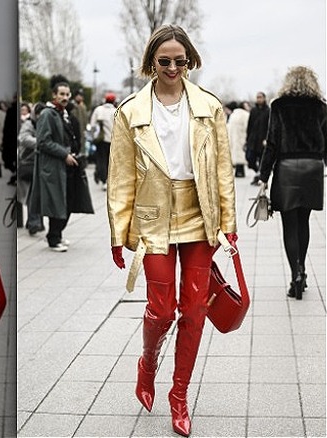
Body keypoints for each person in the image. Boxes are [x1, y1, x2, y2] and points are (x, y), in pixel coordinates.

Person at [107, 24, 237, 437]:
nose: (173, 68)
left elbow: (222, 170)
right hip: (152, 219)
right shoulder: (130, 111)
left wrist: (229, 224)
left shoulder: (209, 107)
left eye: (180, 61)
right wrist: (117, 231)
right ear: (152, 62)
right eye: (164, 61)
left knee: (194, 312)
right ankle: (148, 363)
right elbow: (121, 176)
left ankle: (178, 395)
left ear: (190, 61)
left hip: (200, 216)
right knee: (161, 309)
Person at [259, 66, 327, 299]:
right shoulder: (319, 107)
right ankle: (303, 269)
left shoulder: (278, 106)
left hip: (287, 168)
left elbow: (273, 143)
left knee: (289, 225)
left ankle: (295, 274)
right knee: (304, 222)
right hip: (312, 167)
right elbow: (325, 141)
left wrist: (263, 176)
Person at [33, 81, 94, 252]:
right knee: (58, 203)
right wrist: (64, 154)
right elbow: (43, 142)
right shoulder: (47, 114)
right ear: (54, 95)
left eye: (67, 94)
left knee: (68, 201)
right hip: (54, 168)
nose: (65, 97)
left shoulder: (64, 113)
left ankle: (57, 235)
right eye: (62, 94)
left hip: (68, 166)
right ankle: (53, 238)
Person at [18, 102, 46, 235]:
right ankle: (34, 222)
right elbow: (23, 138)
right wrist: (40, 143)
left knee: (36, 194)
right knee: (31, 194)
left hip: (39, 164)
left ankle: (34, 222)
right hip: (28, 163)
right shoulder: (29, 124)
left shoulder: (45, 124)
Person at [89, 92, 116, 190]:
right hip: (112, 140)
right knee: (109, 161)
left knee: (101, 159)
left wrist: (92, 137)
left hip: (100, 139)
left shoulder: (98, 110)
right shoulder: (116, 111)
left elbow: (92, 125)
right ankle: (107, 179)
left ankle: (102, 178)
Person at [246, 91, 270, 185]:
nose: (258, 99)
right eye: (257, 97)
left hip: (262, 140)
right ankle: (257, 173)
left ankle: (259, 177)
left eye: (260, 97)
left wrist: (267, 138)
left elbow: (269, 126)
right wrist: (247, 138)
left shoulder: (268, 111)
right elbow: (249, 125)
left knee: (261, 160)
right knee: (250, 158)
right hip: (253, 139)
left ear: (264, 98)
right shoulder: (253, 110)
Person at [227, 100, 250, 177]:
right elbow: (248, 126)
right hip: (242, 137)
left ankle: (238, 171)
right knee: (241, 154)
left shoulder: (233, 115)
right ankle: (240, 171)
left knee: (236, 154)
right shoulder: (245, 115)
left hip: (234, 137)